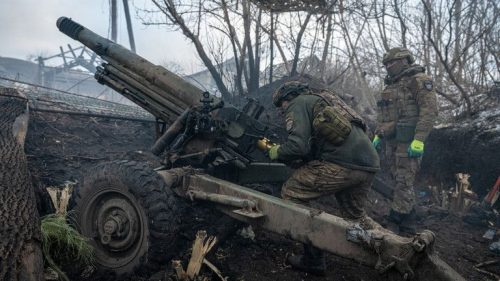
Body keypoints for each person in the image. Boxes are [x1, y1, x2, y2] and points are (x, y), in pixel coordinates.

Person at [268, 81, 381, 275]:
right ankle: (391, 249)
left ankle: (313, 258)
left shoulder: (298, 103)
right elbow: (314, 146)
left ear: (288, 98)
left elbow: (298, 146)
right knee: (355, 216)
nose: (282, 111)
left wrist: (277, 151)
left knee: (292, 192)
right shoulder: (324, 100)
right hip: (367, 164)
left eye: (282, 106)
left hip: (342, 164)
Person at [372, 47, 438, 234]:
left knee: (403, 181)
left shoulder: (419, 81)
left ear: (405, 61)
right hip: (391, 143)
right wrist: (378, 135)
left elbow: (429, 112)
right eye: (386, 64)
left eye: (392, 62)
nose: (388, 67)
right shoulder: (391, 86)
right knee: (397, 179)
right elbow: (385, 115)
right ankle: (409, 222)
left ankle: (394, 220)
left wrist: (419, 140)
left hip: (408, 143)